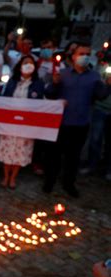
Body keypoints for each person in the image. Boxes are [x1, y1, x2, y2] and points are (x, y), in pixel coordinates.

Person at [43, 42, 111, 197]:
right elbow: (49, 94)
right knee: (54, 156)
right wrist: (54, 83)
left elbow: (101, 96)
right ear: (73, 56)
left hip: (80, 123)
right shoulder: (63, 74)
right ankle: (49, 181)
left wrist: (108, 86)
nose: (85, 57)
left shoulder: (94, 77)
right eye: (81, 54)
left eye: (88, 54)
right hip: (60, 123)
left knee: (73, 157)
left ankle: (69, 184)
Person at [0, 55, 45, 189]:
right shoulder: (12, 81)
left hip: (26, 125)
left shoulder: (38, 84)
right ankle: (5, 176)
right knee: (8, 149)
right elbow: (4, 99)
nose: (28, 65)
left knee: (20, 151)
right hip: (10, 123)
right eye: (25, 63)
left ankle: (13, 178)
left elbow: (41, 103)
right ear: (20, 66)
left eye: (31, 63)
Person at [80, 73, 111, 180]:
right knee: (95, 140)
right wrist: (107, 84)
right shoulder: (103, 73)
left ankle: (108, 170)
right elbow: (98, 92)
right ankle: (91, 166)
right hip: (100, 110)